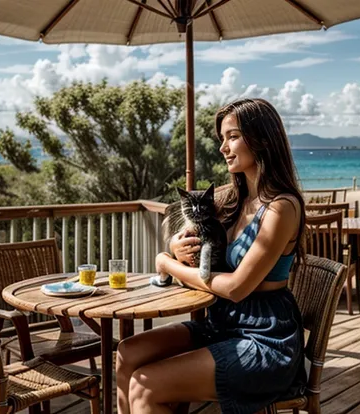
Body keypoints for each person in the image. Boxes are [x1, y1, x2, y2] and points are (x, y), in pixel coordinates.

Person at [116, 98, 308, 414]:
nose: (223, 148)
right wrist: (178, 247)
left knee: (145, 383)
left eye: (232, 136)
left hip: (265, 339)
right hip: (222, 325)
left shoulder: (281, 208)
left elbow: (236, 287)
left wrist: (168, 265)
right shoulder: (233, 200)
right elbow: (182, 229)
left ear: (262, 139)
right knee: (128, 352)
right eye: (222, 139)